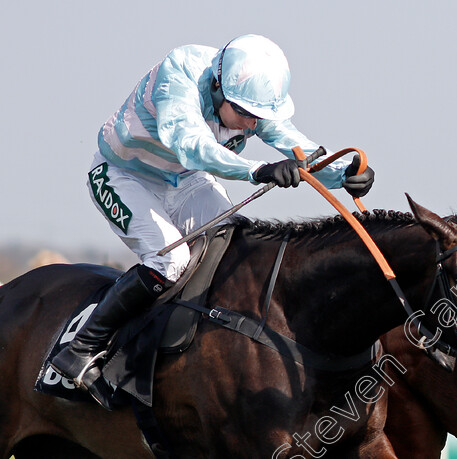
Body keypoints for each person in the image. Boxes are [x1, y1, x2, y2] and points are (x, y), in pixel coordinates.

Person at [51, 34, 374, 391]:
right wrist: (258, 170)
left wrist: (342, 172)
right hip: (123, 176)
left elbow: (295, 145)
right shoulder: (179, 74)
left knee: (239, 242)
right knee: (170, 261)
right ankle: (83, 348)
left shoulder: (243, 99)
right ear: (218, 88)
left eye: (258, 118)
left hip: (184, 181)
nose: (251, 125)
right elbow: (193, 147)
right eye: (246, 115)